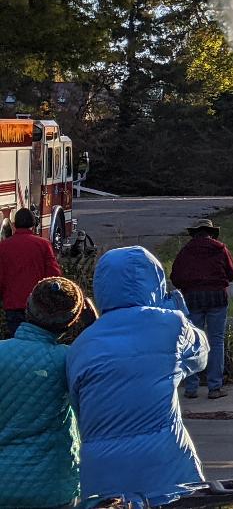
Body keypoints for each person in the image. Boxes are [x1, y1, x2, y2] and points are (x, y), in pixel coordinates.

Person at [67, 246, 208, 505]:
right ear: (155, 283)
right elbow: (201, 356)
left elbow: (78, 404)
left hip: (100, 476)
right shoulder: (171, 324)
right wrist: (175, 309)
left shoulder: (81, 345)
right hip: (166, 470)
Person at [0, 276, 96, 508]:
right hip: (54, 484)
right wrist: (94, 325)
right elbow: (104, 359)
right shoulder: (69, 359)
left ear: (28, 307)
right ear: (71, 321)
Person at [170, 218, 233, 400]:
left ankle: (191, 388)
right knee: (216, 341)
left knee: (193, 341)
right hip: (217, 298)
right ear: (211, 233)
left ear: (195, 233)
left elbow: (175, 276)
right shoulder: (220, 249)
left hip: (193, 299)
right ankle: (214, 387)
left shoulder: (186, 251)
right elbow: (231, 272)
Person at [0, 207, 62, 336]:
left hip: (13, 305)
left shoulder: (3, 247)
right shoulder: (43, 244)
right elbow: (54, 275)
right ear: (33, 224)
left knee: (17, 342)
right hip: (37, 304)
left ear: (14, 224)